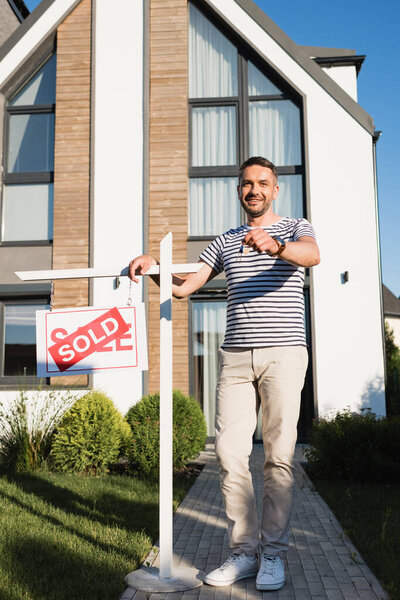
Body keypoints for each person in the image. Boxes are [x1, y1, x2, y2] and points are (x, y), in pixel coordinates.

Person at [129, 156, 320, 591]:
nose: (254, 189)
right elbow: (184, 286)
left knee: (278, 457)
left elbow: (312, 256)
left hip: (285, 354)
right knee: (230, 455)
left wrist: (277, 247)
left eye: (263, 183)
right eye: (247, 184)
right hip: (234, 357)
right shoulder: (224, 240)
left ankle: (273, 556)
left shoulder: (295, 228)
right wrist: (153, 265)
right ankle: (243, 553)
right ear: (239, 191)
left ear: (275, 189)